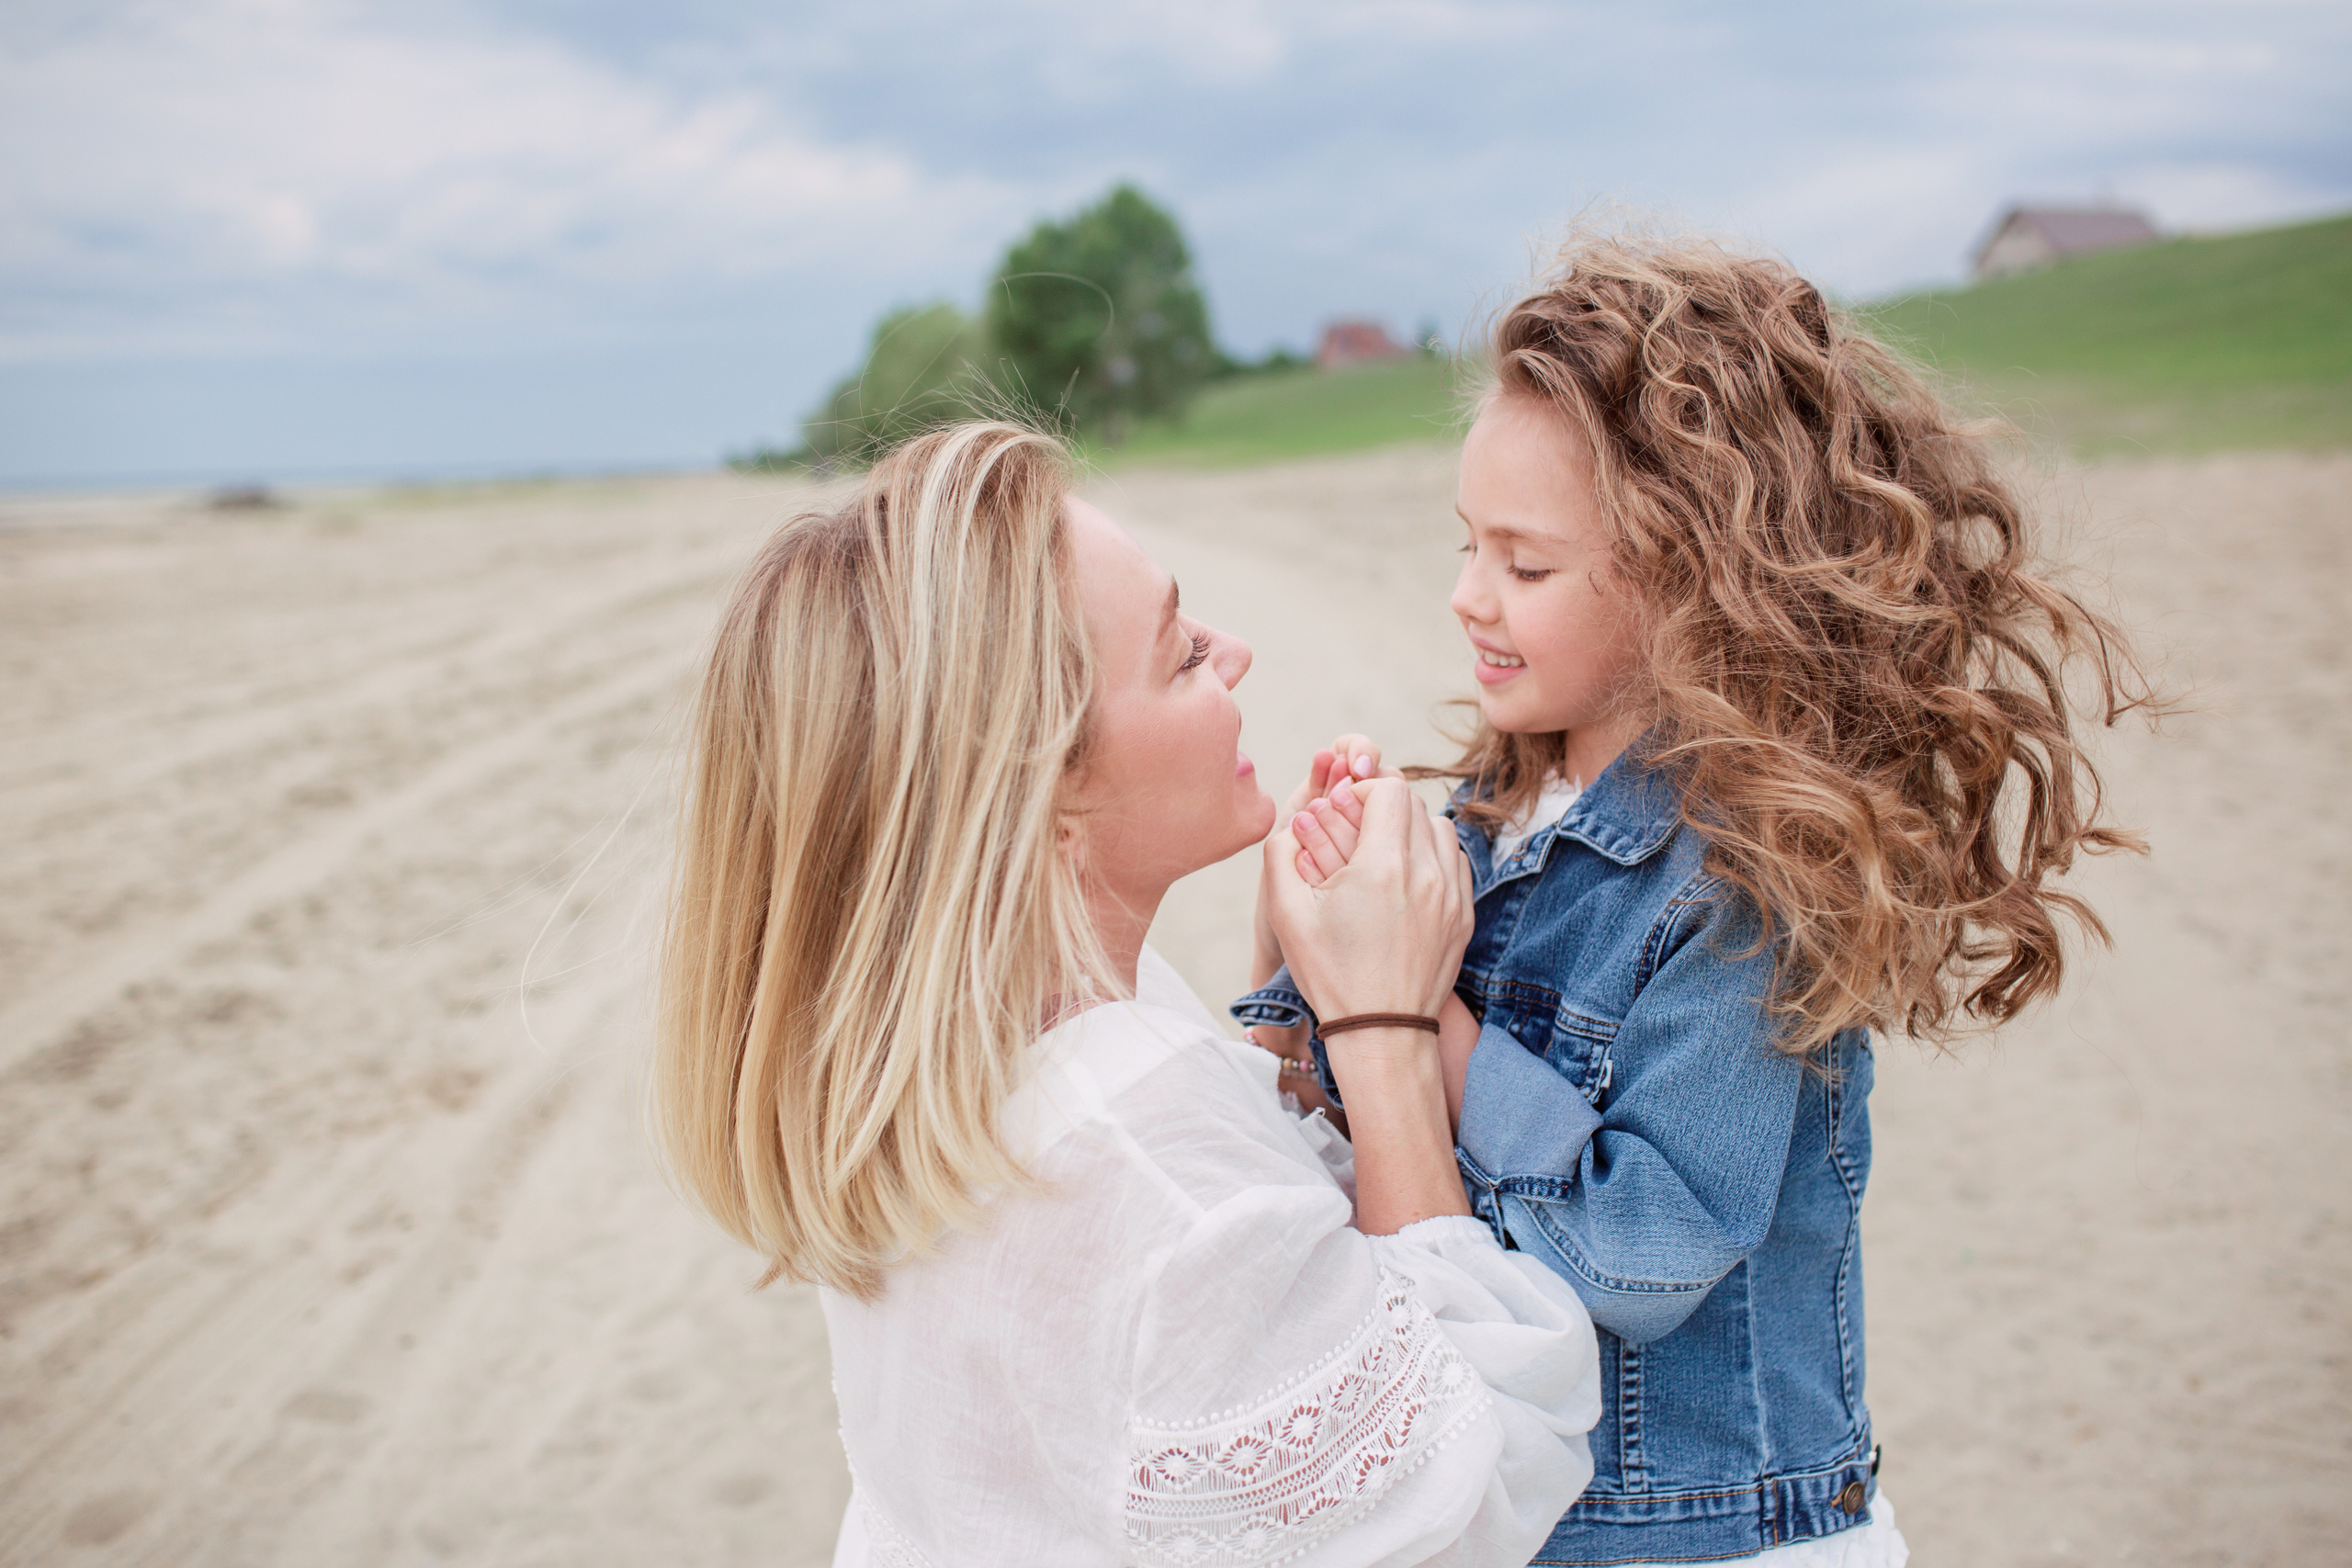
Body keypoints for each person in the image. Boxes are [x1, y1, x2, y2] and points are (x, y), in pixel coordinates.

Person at [1238, 234, 2150, 1565]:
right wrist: (1306, 941)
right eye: (1465, 544)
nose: (1466, 594)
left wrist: (1417, 1017)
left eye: (1524, 564)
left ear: (1691, 580)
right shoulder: (1490, 825)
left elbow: (1646, 1255)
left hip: (1718, 1539)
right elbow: (1361, 1155)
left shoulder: (1741, 885)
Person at [651, 422, 1603, 1567]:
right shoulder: (1143, 1163)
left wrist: (1284, 986)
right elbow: (1482, 1483)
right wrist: (1384, 1029)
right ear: (1047, 790)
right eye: (1181, 653)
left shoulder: (936, 1046)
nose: (1234, 651)